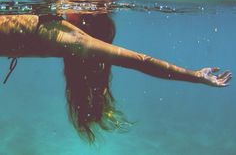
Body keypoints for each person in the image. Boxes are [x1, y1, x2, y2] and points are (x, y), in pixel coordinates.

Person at [0, 13, 232, 143]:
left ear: (86, 22)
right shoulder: (61, 33)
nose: (68, 9)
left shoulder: (75, 40)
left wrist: (194, 76)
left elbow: (140, 61)